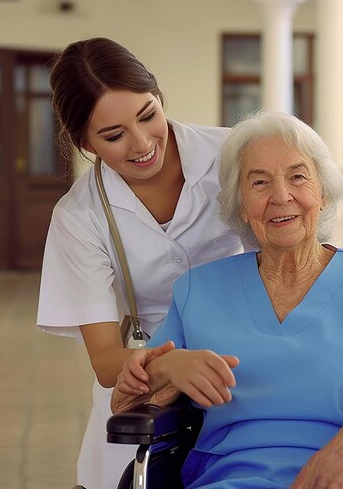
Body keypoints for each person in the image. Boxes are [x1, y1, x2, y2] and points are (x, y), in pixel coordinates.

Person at [112, 110, 343, 488]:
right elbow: (126, 407)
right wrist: (167, 369)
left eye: (298, 176)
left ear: (323, 192)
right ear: (240, 206)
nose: (281, 196)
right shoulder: (196, 290)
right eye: (259, 183)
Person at [36, 37, 244, 488]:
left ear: (159, 97)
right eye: (113, 136)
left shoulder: (233, 157)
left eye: (148, 115)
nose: (142, 143)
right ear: (83, 141)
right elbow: (109, 362)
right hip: (142, 380)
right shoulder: (79, 216)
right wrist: (169, 365)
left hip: (243, 362)